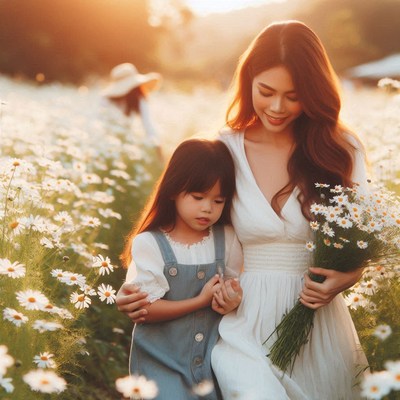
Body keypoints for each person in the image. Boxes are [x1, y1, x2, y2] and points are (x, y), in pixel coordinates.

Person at [117, 20, 370, 399]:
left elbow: (359, 239)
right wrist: (136, 285)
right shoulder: (225, 147)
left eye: (294, 96)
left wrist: (347, 278)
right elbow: (185, 225)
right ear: (248, 79)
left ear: (315, 94)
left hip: (317, 321)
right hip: (240, 318)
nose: (277, 107)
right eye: (266, 91)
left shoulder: (341, 149)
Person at [120, 138, 243, 400]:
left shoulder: (228, 239)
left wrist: (231, 300)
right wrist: (200, 301)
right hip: (161, 363)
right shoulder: (150, 243)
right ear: (174, 190)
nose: (207, 208)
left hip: (213, 361)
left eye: (218, 201)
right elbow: (145, 309)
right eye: (198, 197)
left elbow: (236, 288)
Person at [102, 62, 163, 153]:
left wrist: (156, 144)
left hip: (123, 144)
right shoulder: (106, 99)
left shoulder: (138, 99)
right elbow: (148, 124)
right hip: (108, 143)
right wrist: (157, 146)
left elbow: (148, 124)